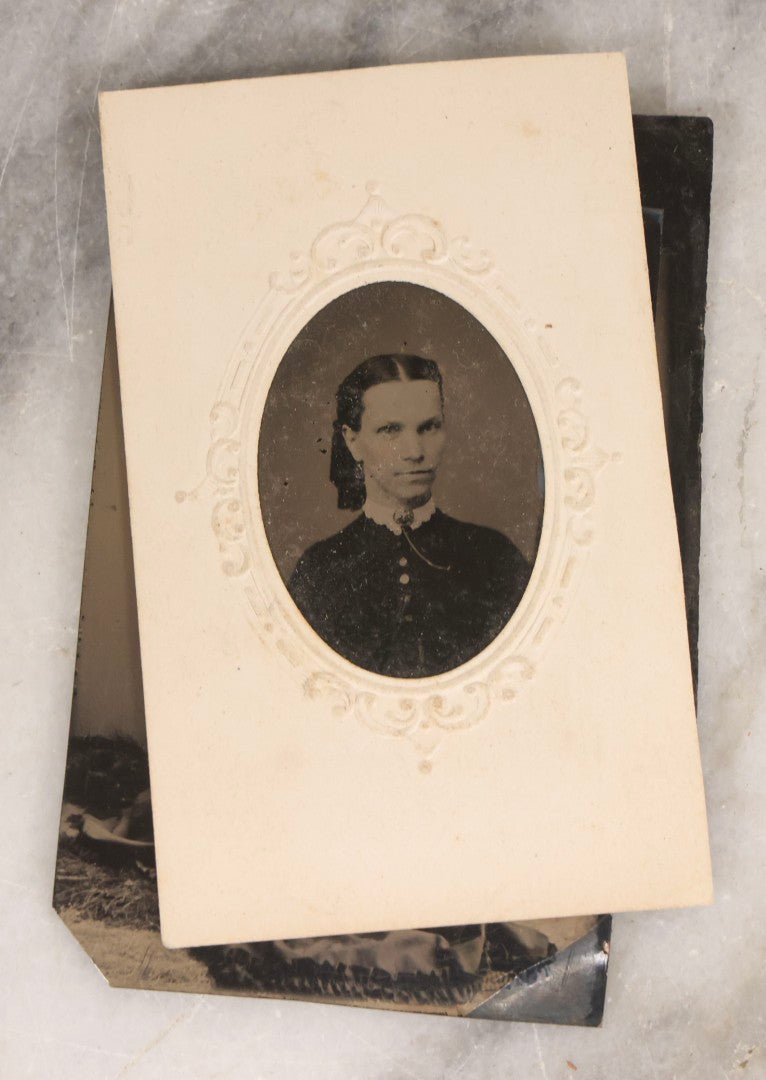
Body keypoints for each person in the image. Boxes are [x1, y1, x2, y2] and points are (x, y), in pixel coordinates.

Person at [288, 354, 532, 678]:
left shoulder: (495, 557)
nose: (415, 451)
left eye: (429, 427)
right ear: (352, 441)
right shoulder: (319, 571)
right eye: (390, 430)